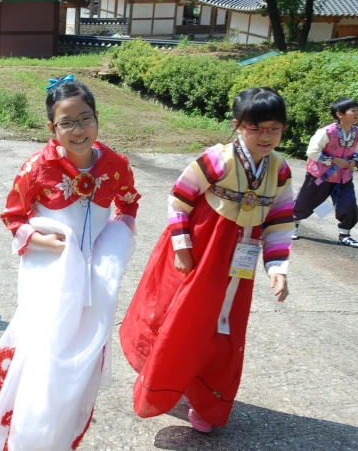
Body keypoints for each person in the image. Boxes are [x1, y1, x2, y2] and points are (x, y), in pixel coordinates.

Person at [0, 75, 140, 450]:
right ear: (52, 128)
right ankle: (24, 434)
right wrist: (43, 241)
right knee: (44, 355)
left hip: (94, 280)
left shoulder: (115, 165)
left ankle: (59, 436)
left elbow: (128, 203)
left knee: (80, 358)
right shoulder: (37, 168)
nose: (78, 130)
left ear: (97, 117)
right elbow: (13, 216)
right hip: (50, 277)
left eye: (85, 118)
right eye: (67, 122)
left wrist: (113, 245)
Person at [119, 87, 294, 433]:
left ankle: (206, 399)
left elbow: (280, 220)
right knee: (184, 321)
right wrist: (182, 248)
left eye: (274, 128)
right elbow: (178, 200)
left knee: (223, 328)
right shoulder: (218, 159)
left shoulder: (280, 169)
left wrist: (277, 268)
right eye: (255, 127)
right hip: (198, 254)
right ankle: (163, 380)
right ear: (238, 125)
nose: (265, 136)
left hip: (238, 264)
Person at [292, 97, 358, 247]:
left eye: (357, 110)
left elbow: (356, 151)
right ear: (340, 114)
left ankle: (344, 235)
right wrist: (335, 160)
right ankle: (292, 224)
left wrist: (354, 161)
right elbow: (312, 152)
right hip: (320, 175)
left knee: (348, 204)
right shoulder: (327, 132)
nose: (357, 113)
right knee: (307, 200)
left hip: (344, 177)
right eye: (352, 110)